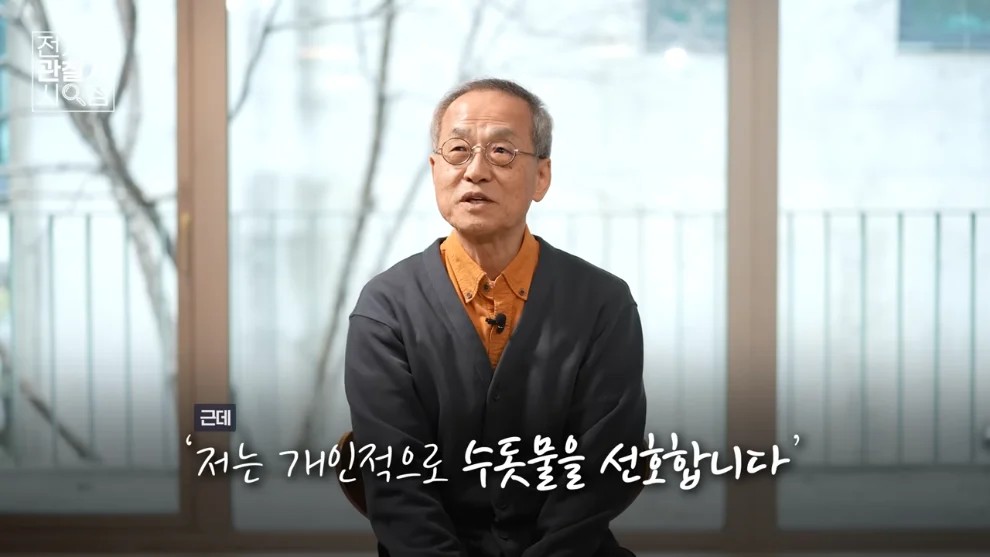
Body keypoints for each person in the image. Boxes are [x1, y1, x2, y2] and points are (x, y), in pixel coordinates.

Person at [344, 77, 647, 557]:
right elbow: (397, 487)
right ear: (435, 171)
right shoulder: (386, 309)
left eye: (502, 152)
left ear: (541, 176)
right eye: (457, 151)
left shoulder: (603, 303)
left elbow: (601, 473)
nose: (476, 171)